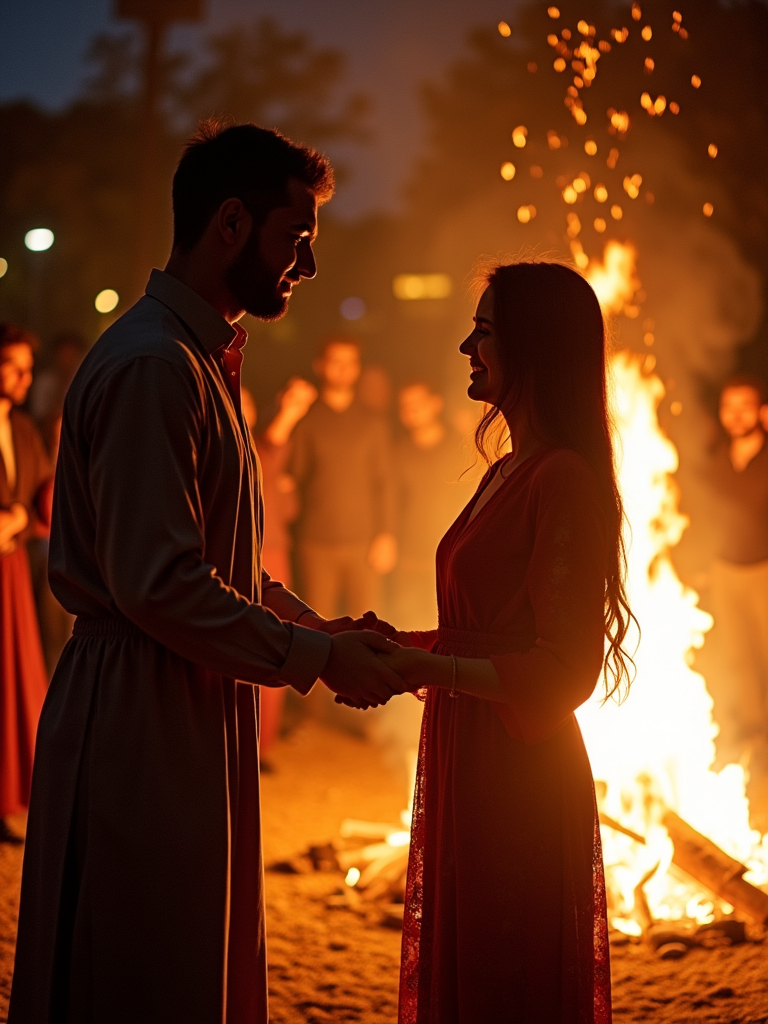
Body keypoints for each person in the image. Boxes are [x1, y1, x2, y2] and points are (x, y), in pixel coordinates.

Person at [9, 120, 407, 1024]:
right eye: (294, 239)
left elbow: (222, 562)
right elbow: (159, 584)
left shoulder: (197, 357)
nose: (306, 266)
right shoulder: (156, 364)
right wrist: (314, 659)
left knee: (193, 951)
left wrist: (321, 629)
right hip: (142, 711)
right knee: (143, 960)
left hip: (185, 692)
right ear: (231, 223)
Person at [365, 260, 634, 1024]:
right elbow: (474, 630)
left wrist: (418, 665)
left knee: (503, 977)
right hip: (467, 751)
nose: (464, 347)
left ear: (534, 347)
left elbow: (563, 668)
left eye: (483, 332)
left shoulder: (564, 481)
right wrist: (380, 642)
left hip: (517, 770)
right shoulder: (508, 469)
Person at [288, 337, 398, 619]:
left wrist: (386, 534)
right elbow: (292, 476)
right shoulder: (306, 419)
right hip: (316, 542)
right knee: (318, 627)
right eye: (336, 361)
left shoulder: (372, 423)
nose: (343, 369)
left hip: (363, 542)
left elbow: (385, 481)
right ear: (320, 366)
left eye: (350, 362)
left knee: (369, 625)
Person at [241, 378, 318, 764]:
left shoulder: (261, 450)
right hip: (237, 559)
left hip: (270, 554)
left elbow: (274, 441)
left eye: (247, 402)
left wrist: (293, 408)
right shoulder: (221, 452)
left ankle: (262, 741)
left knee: (275, 639)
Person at [0, 325, 53, 845]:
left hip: (12, 571)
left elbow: (40, 497)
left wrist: (19, 517)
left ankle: (10, 796)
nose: (23, 377)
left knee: (15, 679)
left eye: (27, 368)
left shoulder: (22, 429)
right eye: (11, 366)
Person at [707, 376, 768, 823]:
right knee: (738, 660)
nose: (737, 415)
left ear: (760, 409)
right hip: (725, 573)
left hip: (763, 571)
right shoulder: (716, 460)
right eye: (730, 407)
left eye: (746, 406)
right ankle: (754, 740)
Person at [392, 381, 473, 629]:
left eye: (418, 403)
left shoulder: (460, 449)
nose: (411, 410)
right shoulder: (398, 451)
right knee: (406, 624)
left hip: (450, 553)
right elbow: (390, 500)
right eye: (405, 405)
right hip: (409, 555)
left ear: (435, 404)